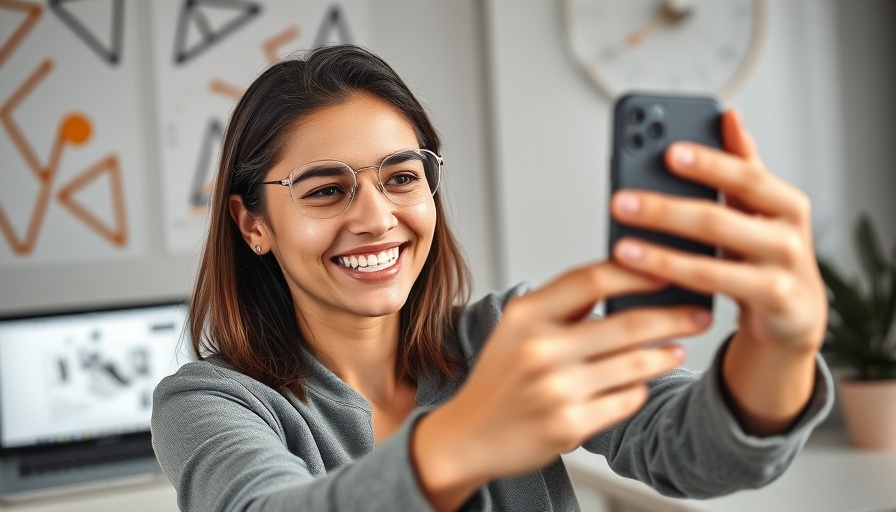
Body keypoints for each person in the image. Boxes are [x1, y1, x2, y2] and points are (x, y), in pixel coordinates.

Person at [151, 44, 833, 512]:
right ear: (253, 224)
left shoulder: (506, 336)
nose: (376, 217)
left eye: (401, 178)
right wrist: (465, 441)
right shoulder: (209, 404)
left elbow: (701, 454)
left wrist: (780, 348)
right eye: (326, 190)